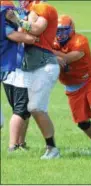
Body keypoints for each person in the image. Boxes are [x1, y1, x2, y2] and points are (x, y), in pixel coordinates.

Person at [52, 15, 91, 149]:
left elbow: (69, 58)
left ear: (71, 29)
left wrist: (50, 53)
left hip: (90, 78)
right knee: (81, 121)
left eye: (63, 30)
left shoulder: (80, 41)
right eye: (57, 30)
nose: (60, 34)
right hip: (71, 84)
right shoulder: (52, 43)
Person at [8, 0, 60, 159]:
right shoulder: (30, 12)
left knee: (35, 107)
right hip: (29, 66)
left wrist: (16, 20)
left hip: (44, 64)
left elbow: (37, 30)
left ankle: (52, 149)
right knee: (27, 107)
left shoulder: (42, 7)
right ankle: (18, 144)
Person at [0, 0, 38, 150]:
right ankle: (12, 146)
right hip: (14, 70)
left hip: (8, 70)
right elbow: (26, 38)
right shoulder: (6, 27)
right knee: (20, 109)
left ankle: (20, 143)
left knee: (22, 109)